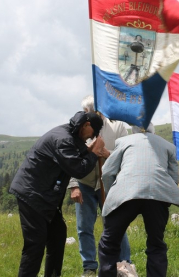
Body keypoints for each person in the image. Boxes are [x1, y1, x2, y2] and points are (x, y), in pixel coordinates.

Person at [10, 111, 105, 277]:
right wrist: (94, 152)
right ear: (87, 125)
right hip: (33, 195)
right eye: (92, 134)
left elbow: (78, 153)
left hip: (45, 196)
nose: (89, 138)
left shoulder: (71, 133)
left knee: (57, 235)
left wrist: (89, 150)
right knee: (35, 245)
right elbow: (78, 169)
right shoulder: (63, 139)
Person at [98, 124, 179, 277]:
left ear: (133, 130)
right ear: (153, 131)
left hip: (125, 193)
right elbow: (174, 178)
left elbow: (108, 172)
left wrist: (111, 195)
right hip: (157, 195)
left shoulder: (123, 142)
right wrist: (165, 201)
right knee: (156, 244)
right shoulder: (168, 146)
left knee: (109, 242)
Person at [67, 95, 132, 277]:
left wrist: (107, 154)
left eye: (91, 112)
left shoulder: (118, 127)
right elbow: (71, 158)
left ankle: (124, 263)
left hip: (110, 183)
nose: (88, 117)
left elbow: (125, 156)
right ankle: (89, 267)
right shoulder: (79, 129)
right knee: (84, 227)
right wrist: (74, 185)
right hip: (85, 183)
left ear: (99, 110)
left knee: (115, 224)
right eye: (86, 113)